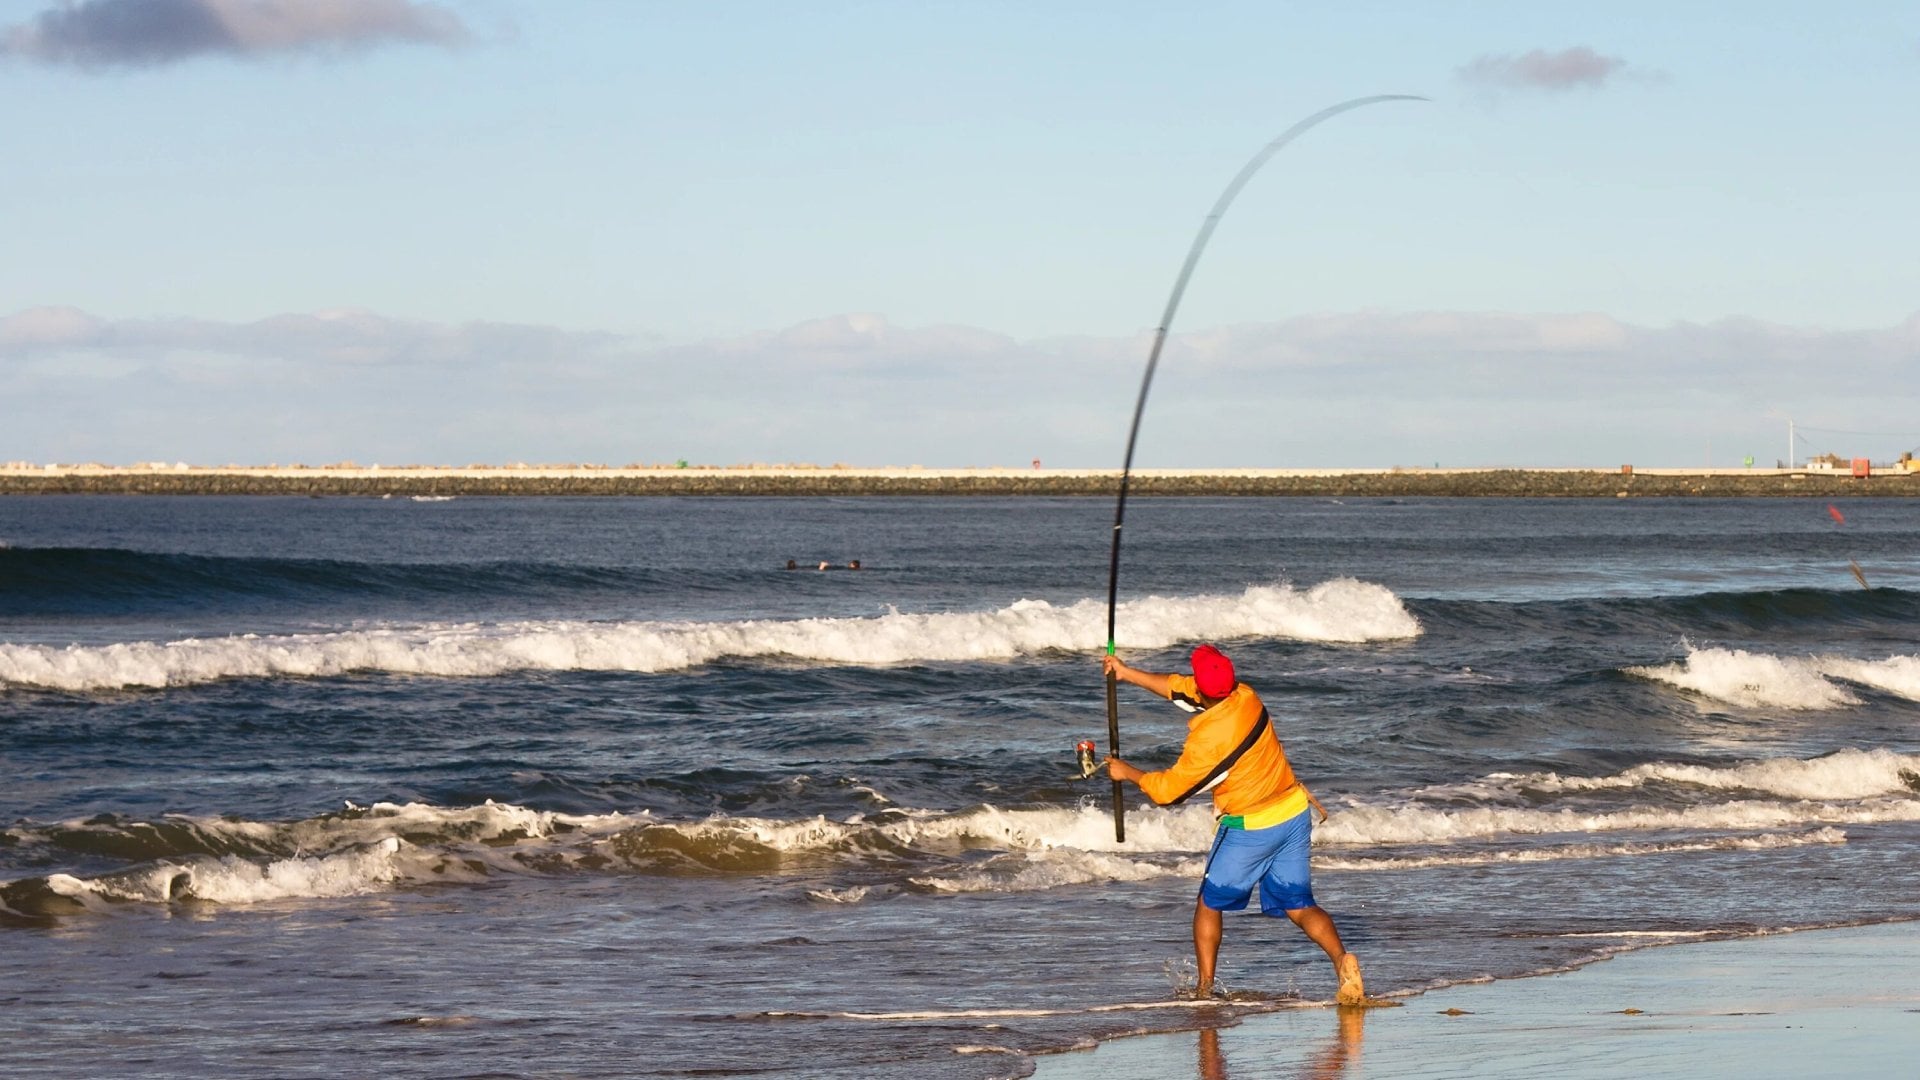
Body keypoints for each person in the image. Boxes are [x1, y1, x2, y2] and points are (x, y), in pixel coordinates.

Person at [1103, 644, 1364, 1004]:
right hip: (1293, 811)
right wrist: (1126, 672)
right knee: (1299, 904)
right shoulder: (1245, 695)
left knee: (1209, 903)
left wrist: (1127, 772)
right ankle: (1342, 962)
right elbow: (1182, 688)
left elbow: (1168, 792)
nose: (1192, 680)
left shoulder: (1210, 741)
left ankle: (1204, 990)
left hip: (1251, 827)